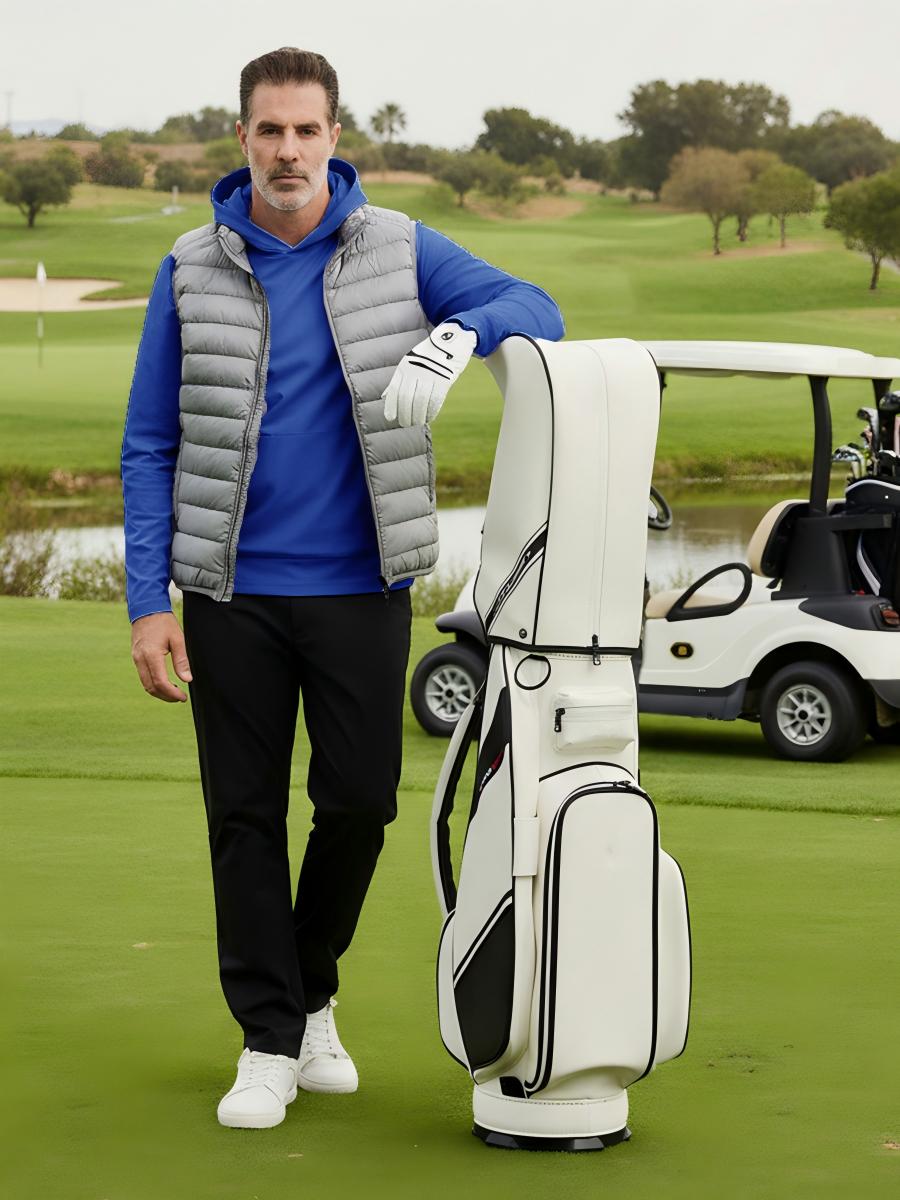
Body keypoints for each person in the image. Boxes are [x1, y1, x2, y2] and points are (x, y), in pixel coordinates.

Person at [121, 46, 564, 1131]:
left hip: (361, 586)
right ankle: (270, 1039)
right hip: (229, 591)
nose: (287, 150)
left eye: (305, 130)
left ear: (334, 136)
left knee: (361, 802)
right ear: (242, 138)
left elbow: (539, 306)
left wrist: (462, 330)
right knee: (243, 814)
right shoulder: (190, 265)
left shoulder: (400, 247)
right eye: (269, 130)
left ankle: (309, 986)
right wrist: (147, 601)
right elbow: (149, 441)